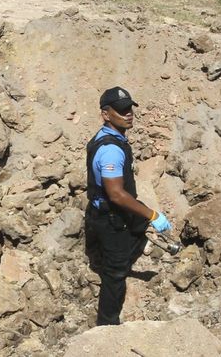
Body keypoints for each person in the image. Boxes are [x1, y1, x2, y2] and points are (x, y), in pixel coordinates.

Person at [85, 86, 172, 326]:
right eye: (122, 110)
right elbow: (116, 194)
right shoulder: (111, 149)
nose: (128, 114)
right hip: (111, 218)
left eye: (130, 108)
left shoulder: (108, 138)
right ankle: (107, 325)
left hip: (107, 212)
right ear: (106, 114)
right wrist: (153, 214)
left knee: (139, 218)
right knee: (115, 274)